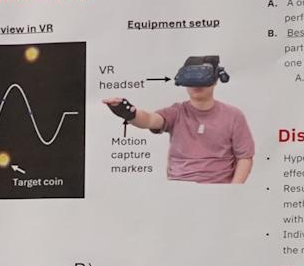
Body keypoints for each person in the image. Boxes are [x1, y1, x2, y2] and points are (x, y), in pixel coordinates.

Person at [103, 53, 254, 183]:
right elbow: (150, 120)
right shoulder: (176, 112)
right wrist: (127, 112)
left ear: (215, 80)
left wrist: (233, 190)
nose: (197, 84)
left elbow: (245, 157)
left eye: (202, 77)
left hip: (218, 187)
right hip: (179, 188)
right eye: (192, 78)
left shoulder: (234, 116)